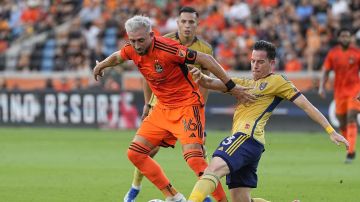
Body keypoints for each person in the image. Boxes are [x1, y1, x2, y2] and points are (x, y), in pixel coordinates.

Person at [93, 15, 255, 202]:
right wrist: (102, 65)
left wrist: (232, 87)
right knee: (135, 153)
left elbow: (206, 59)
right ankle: (173, 196)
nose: (137, 45)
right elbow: (118, 57)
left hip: (187, 106)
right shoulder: (132, 49)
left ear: (151, 35)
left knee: (195, 159)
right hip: (162, 108)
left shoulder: (169, 49)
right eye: (132, 41)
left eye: (141, 40)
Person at [186, 40, 349, 202]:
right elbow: (209, 82)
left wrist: (331, 131)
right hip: (251, 144)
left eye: (260, 62)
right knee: (241, 200)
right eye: (253, 61)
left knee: (213, 169)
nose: (255, 65)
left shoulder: (277, 81)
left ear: (272, 63)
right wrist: (200, 76)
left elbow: (307, 106)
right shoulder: (244, 83)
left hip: (246, 137)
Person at [124, 7, 216, 202]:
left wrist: (202, 108)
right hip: (161, 103)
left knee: (197, 151)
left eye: (191, 22)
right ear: (178, 23)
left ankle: (204, 193)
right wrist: (147, 104)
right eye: (184, 21)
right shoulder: (162, 41)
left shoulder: (205, 49)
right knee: (146, 151)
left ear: (197, 24)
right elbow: (146, 76)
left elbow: (206, 81)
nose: (187, 25)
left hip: (187, 105)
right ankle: (135, 186)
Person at [318, 28, 360, 163]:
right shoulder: (333, 53)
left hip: (354, 91)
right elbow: (325, 70)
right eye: (343, 36)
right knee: (342, 121)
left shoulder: (357, 53)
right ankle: (349, 144)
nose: (346, 39)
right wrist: (321, 87)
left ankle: (351, 152)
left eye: (348, 36)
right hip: (339, 93)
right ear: (339, 38)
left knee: (351, 117)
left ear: (350, 38)